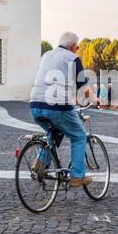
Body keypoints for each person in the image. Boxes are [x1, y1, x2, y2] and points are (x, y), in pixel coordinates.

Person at [29, 32, 98, 187]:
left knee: (54, 132)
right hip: (57, 107)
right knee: (79, 135)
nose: (78, 49)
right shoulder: (72, 58)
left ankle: (40, 165)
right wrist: (95, 99)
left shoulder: (46, 55)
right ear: (73, 46)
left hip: (35, 105)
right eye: (78, 46)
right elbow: (83, 87)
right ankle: (77, 176)